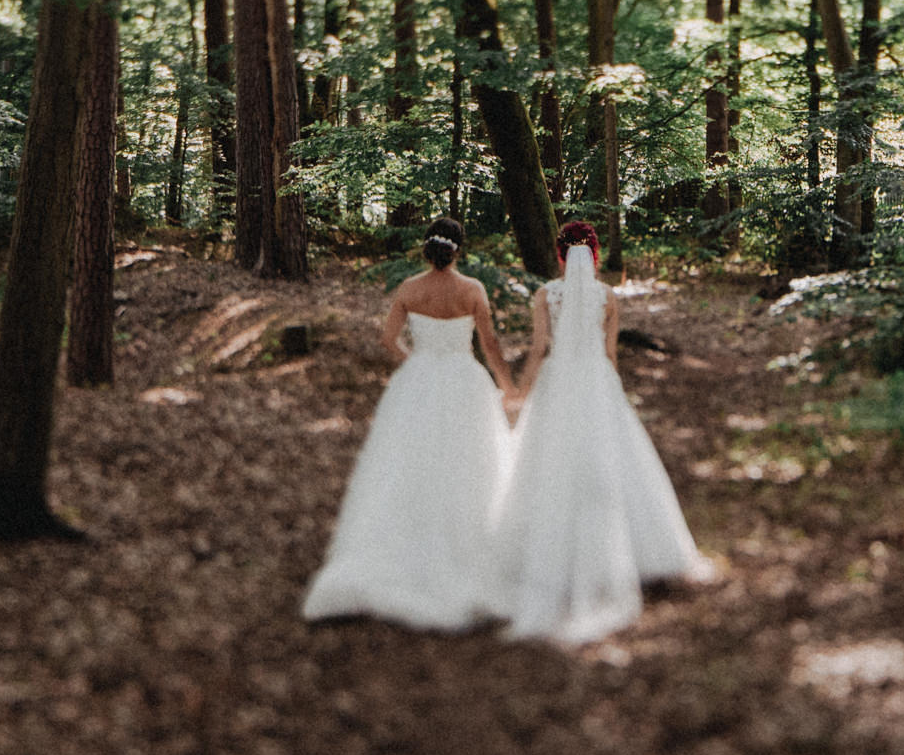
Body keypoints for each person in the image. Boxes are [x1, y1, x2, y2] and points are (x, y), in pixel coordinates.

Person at [487, 220, 711, 644]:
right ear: (593, 255)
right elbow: (609, 354)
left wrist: (521, 390)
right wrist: (609, 392)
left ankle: (544, 557)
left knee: (548, 464)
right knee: (608, 462)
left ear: (559, 255)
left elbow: (539, 349)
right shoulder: (606, 296)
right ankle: (634, 555)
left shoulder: (545, 295)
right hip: (595, 381)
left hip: (557, 382)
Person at [301, 218, 514, 631]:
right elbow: (489, 344)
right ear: (458, 250)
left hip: (417, 383)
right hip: (464, 382)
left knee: (406, 464)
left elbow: (387, 340)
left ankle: (399, 551)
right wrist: (507, 386)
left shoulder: (409, 289)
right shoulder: (472, 290)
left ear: (425, 248)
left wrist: (415, 361)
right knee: (469, 465)